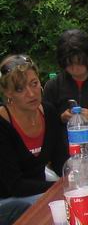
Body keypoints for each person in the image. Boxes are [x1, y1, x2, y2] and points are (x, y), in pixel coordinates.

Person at [0, 54, 68, 202]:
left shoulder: (49, 112)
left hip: (39, 192)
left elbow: (60, 162)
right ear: (8, 93)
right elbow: (14, 185)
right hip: (8, 200)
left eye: (34, 83)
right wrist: (59, 186)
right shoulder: (3, 124)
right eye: (20, 89)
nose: (31, 94)